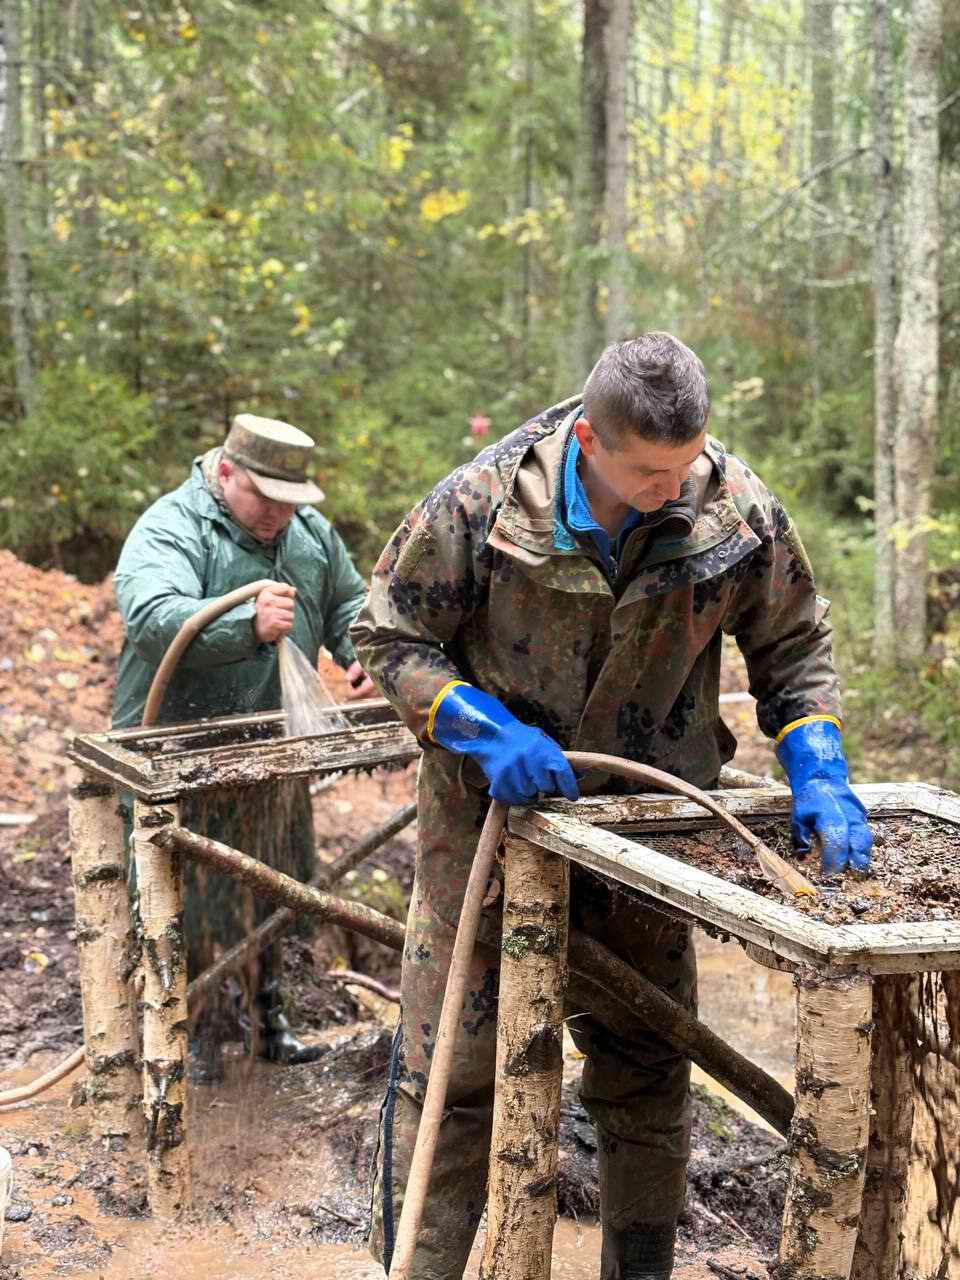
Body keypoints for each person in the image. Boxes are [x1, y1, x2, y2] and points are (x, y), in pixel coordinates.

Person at [350, 333, 872, 1280]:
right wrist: (482, 729)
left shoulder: (733, 507)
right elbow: (388, 637)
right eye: (647, 473)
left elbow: (794, 644)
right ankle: (419, 1266)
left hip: (646, 834)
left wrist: (819, 764)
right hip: (489, 835)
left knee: (646, 1073)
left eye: (686, 465)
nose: (673, 489)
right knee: (455, 1079)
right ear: (589, 441)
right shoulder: (481, 505)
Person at [112, 413, 374, 1078]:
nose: (279, 515)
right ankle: (191, 1031)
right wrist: (243, 624)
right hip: (180, 750)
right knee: (189, 895)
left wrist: (362, 653)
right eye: (266, 499)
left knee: (275, 883)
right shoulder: (173, 527)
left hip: (272, 748)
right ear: (226, 472)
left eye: (291, 501)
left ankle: (268, 1020)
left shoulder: (308, 534)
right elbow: (151, 616)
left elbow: (348, 603)